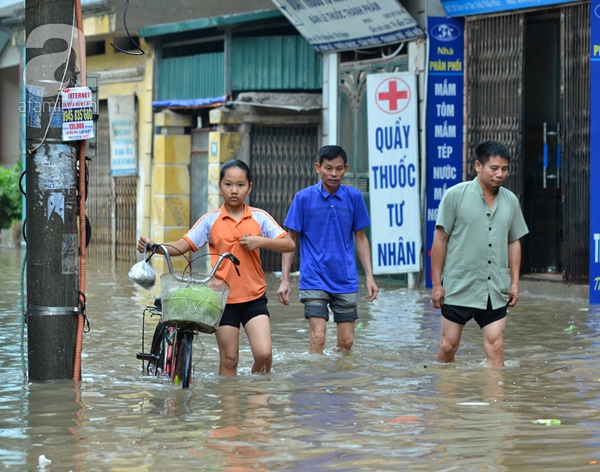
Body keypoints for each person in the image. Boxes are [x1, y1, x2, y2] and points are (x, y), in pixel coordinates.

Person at [137, 159, 295, 376]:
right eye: (228, 184)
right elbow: (182, 247)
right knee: (230, 359)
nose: (234, 190)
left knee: (264, 355)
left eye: (240, 185)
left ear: (250, 187)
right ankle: (228, 407)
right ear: (220, 186)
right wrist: (153, 247)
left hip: (254, 298)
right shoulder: (210, 220)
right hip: (222, 300)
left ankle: (255, 397)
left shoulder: (259, 217)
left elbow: (289, 243)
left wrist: (260, 241)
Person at [430, 140, 529, 367]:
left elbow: (514, 242)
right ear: (478, 166)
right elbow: (440, 240)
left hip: (495, 287)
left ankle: (495, 401)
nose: (500, 174)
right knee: (448, 345)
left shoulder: (511, 201)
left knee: (496, 346)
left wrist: (514, 283)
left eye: (504, 169)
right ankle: (446, 398)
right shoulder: (455, 195)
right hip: (459, 285)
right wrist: (437, 284)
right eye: (494, 168)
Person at [277, 145, 379, 354]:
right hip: (314, 278)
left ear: (346, 169)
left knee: (347, 342)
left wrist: (369, 277)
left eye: (339, 169)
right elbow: (290, 240)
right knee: (318, 337)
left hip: (346, 279)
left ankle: (338, 381)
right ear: (318, 167)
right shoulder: (303, 198)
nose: (333, 174)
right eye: (328, 168)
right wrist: (284, 279)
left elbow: (361, 238)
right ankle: (317, 384)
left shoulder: (354, 198)